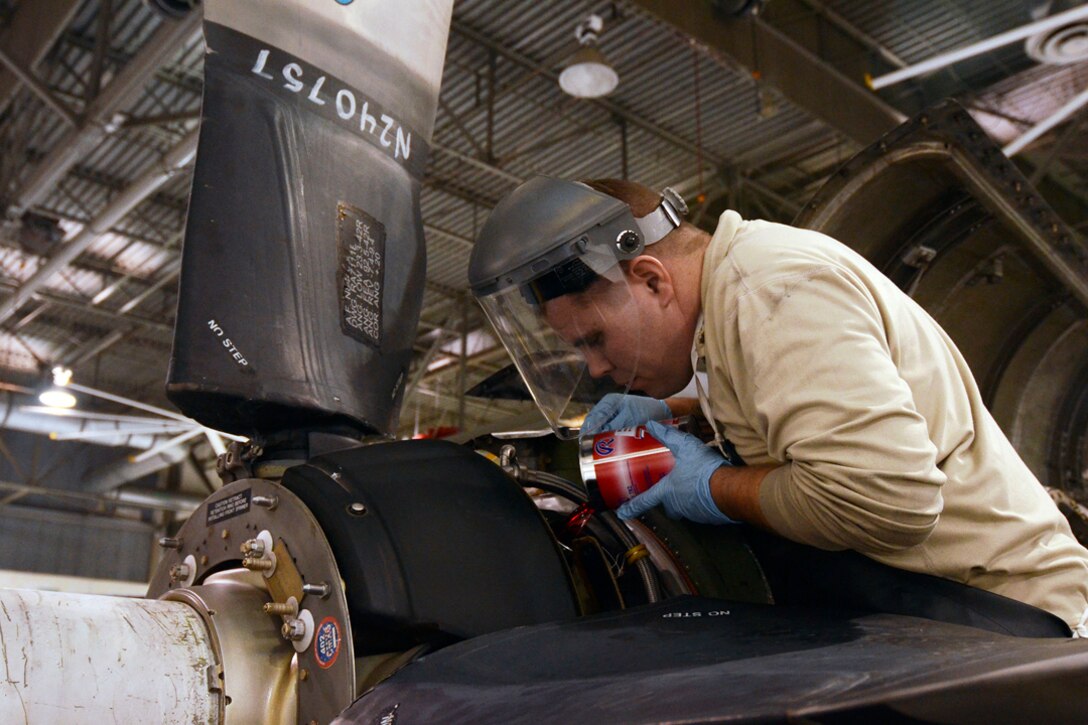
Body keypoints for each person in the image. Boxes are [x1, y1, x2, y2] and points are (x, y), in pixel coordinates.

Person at [467, 175, 1088, 635]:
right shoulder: (731, 303)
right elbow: (773, 403)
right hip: (935, 608)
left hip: (1014, 622)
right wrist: (682, 412)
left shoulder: (769, 290)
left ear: (652, 279)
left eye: (595, 339)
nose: (598, 369)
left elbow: (886, 501)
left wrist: (713, 486)